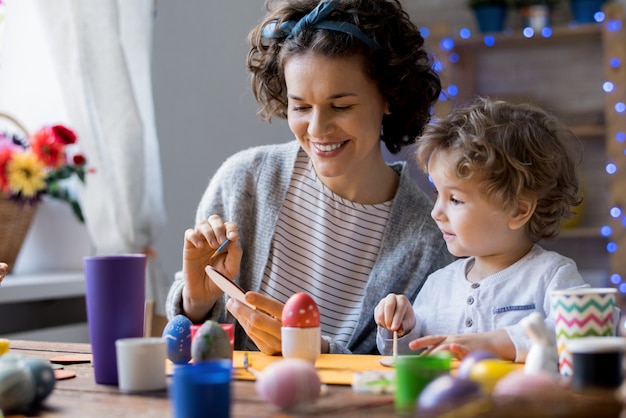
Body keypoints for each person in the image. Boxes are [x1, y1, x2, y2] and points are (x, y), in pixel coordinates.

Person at [165, 0, 454, 355]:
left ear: (389, 96)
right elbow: (189, 346)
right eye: (300, 106)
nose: (318, 129)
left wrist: (318, 352)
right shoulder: (244, 183)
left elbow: (411, 373)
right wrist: (196, 299)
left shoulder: (427, 242)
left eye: (342, 106)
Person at [375, 97, 588, 362]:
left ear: (518, 210)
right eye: (437, 193)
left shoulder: (552, 275)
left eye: (455, 199)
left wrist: (494, 343)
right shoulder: (438, 284)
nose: (436, 212)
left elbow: (582, 334)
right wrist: (401, 328)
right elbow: (410, 355)